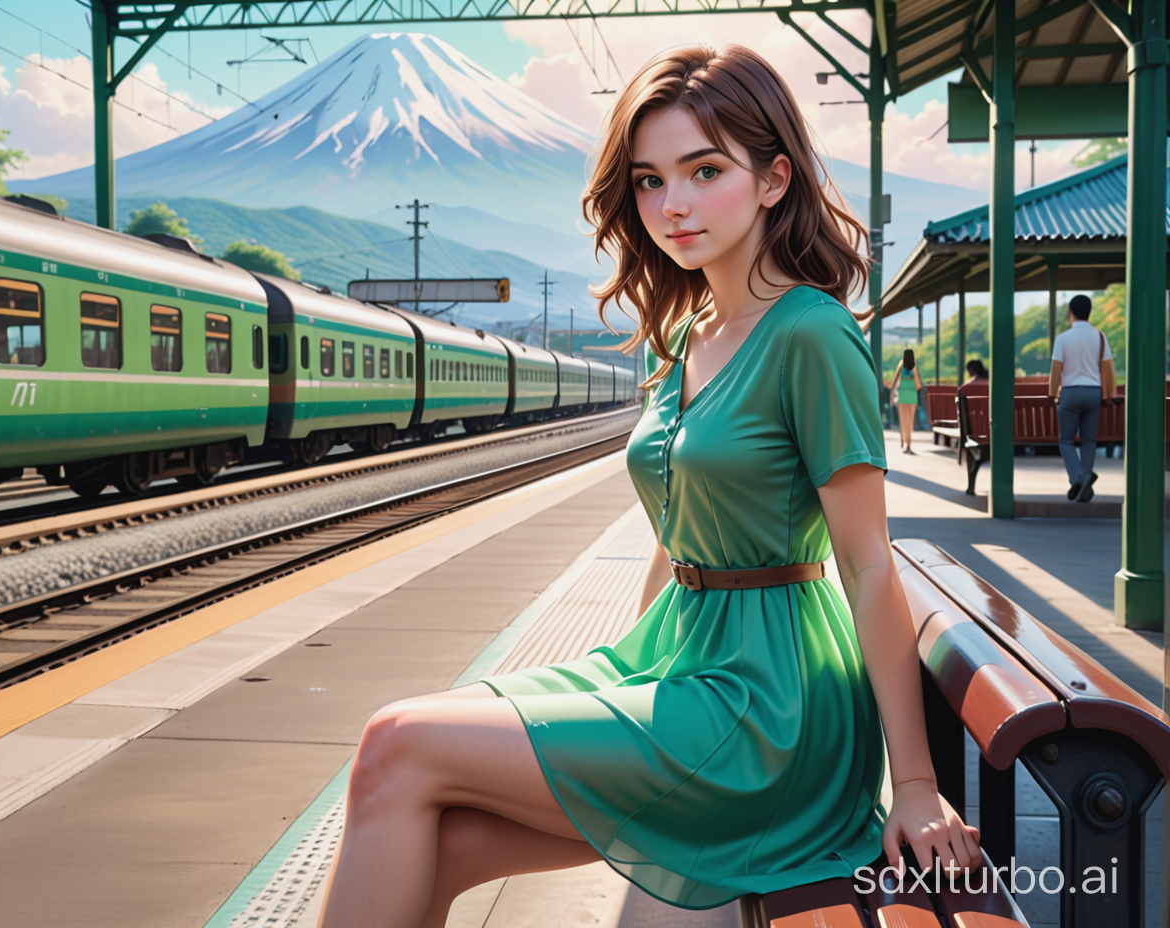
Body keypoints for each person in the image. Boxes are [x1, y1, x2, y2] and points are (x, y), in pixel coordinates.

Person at [316, 44, 980, 928]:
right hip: (681, 665)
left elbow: (867, 564)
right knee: (442, 833)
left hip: (769, 712)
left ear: (774, 179)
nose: (673, 205)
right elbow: (675, 543)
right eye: (648, 181)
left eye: (705, 171)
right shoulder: (690, 339)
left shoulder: (810, 335)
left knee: (393, 745)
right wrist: (622, 695)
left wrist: (917, 784)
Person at [1049, 294, 1117, 503]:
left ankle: (1079, 477)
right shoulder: (1100, 337)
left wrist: (1053, 393)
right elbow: (1108, 370)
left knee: (1066, 441)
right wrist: (1109, 394)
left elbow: (1056, 370)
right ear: (1089, 312)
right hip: (1093, 393)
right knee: (1089, 440)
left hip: (1070, 393)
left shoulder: (1063, 338)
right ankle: (1084, 480)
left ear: (1070, 312)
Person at [891, 349, 922, 455]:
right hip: (912, 397)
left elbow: (894, 382)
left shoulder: (901, 365)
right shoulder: (914, 367)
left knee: (903, 421)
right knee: (910, 422)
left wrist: (892, 397)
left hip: (902, 397)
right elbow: (918, 385)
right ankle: (908, 444)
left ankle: (904, 442)